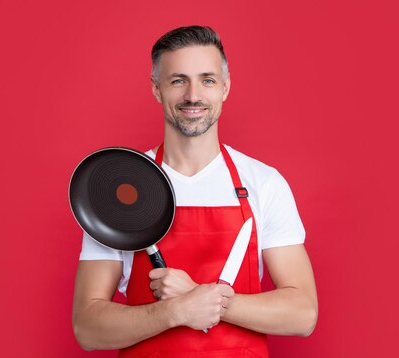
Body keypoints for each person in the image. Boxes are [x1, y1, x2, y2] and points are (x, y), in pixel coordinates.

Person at [72, 25, 318, 357]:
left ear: (225, 88)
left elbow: (303, 314)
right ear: (157, 89)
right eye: (178, 80)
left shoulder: (263, 183)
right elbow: (87, 327)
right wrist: (175, 312)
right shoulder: (123, 186)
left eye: (207, 80)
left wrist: (206, 300)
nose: (193, 95)